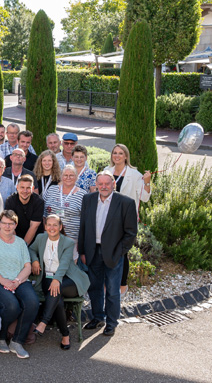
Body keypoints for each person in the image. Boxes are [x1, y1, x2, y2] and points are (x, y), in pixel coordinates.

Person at [79, 172, 137, 337]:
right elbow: (83, 226)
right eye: (101, 183)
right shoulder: (88, 199)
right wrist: (82, 250)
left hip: (113, 253)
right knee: (94, 287)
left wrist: (120, 252)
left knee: (112, 290)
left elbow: (131, 233)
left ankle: (111, 323)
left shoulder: (126, 203)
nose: (104, 187)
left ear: (113, 184)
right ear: (96, 184)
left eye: (107, 183)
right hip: (92, 251)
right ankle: (98, 317)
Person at [0, 210, 39, 359]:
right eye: (4, 223)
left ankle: (17, 341)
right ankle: (0, 337)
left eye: (10, 224)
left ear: (15, 225)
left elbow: (27, 266)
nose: (7, 226)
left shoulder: (20, 242)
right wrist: (2, 280)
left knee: (32, 302)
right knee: (12, 306)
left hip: (18, 280)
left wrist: (17, 281)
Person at [29, 215, 90, 350]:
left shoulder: (67, 242)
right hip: (48, 279)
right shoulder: (40, 238)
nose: (52, 228)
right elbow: (31, 249)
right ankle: (65, 335)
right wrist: (35, 260)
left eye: (55, 225)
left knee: (55, 289)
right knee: (57, 299)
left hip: (69, 279)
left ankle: (44, 322)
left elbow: (64, 263)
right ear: (45, 227)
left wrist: (57, 279)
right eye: (49, 225)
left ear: (60, 227)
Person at [103, 143, 151, 297]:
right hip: (107, 219)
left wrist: (147, 182)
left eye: (120, 153)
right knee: (105, 251)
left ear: (126, 156)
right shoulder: (106, 172)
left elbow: (144, 198)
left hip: (125, 221)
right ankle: (106, 285)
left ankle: (122, 286)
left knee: (122, 252)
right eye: (114, 153)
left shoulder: (134, 175)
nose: (117, 156)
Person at [44, 165, 87, 256]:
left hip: (71, 238)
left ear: (76, 177)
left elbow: (85, 220)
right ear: (61, 177)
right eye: (65, 175)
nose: (68, 178)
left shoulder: (82, 195)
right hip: (50, 235)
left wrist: (81, 241)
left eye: (71, 175)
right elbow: (44, 212)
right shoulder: (52, 190)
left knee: (68, 266)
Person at [4, 175, 45, 246]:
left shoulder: (39, 202)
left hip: (35, 240)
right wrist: (17, 245)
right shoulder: (10, 201)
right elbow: (10, 224)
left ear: (32, 188)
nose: (25, 191)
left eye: (28, 188)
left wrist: (23, 246)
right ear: (17, 188)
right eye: (22, 187)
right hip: (15, 237)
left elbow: (34, 226)